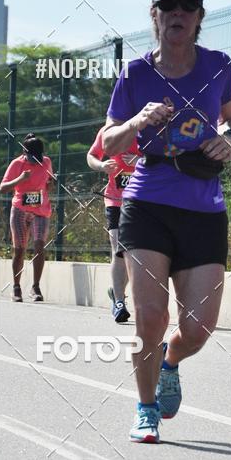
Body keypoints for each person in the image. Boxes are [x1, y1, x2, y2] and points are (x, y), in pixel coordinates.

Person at [103, 0, 231, 443]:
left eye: (186, 7)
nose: (176, 14)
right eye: (168, 7)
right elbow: (107, 142)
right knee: (149, 316)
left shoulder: (219, 65)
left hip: (203, 206)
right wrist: (138, 118)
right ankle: (145, 409)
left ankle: (171, 361)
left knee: (197, 328)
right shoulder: (135, 73)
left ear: (200, 17)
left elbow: (230, 121)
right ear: (154, 16)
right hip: (148, 201)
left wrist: (230, 141)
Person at [87, 125, 140, 322]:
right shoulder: (108, 131)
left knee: (133, 252)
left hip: (142, 200)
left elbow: (167, 160)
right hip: (115, 200)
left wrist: (140, 161)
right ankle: (119, 303)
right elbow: (91, 155)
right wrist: (102, 166)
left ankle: (118, 292)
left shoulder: (149, 127)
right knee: (118, 247)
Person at [0, 133, 53, 303]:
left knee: (39, 246)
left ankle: (36, 287)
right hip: (20, 209)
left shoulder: (46, 162)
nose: (34, 160)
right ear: (25, 153)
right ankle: (16, 287)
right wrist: (20, 178)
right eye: (31, 157)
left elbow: (49, 183)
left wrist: (51, 184)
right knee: (20, 249)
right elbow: (3, 188)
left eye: (38, 157)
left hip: (41, 210)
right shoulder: (17, 164)